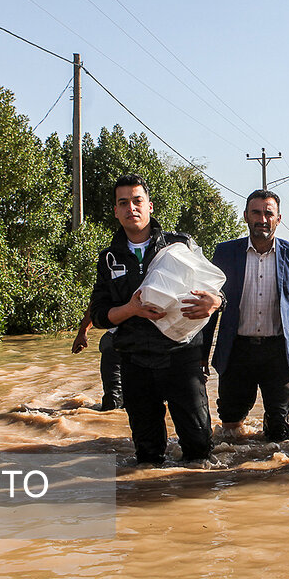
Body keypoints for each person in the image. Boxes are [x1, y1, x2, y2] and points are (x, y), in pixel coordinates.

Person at [89, 173, 223, 465]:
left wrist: (216, 303)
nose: (131, 208)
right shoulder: (109, 258)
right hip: (135, 361)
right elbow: (100, 316)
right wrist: (131, 310)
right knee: (147, 456)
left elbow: (215, 287)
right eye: (123, 203)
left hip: (182, 358)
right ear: (115, 211)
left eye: (137, 201)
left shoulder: (179, 244)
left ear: (150, 206)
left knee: (200, 449)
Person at [202, 190, 289, 442]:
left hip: (277, 353)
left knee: (278, 430)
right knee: (230, 428)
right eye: (256, 213)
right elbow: (210, 307)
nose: (262, 219)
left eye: (269, 213)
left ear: (278, 219)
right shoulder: (226, 253)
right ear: (246, 216)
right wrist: (200, 354)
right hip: (236, 350)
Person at [71, 308, 122, 411]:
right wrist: (82, 332)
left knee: (114, 398)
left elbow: (95, 304)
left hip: (115, 341)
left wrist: (82, 332)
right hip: (119, 343)